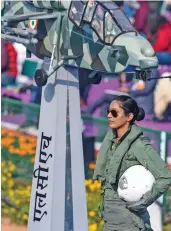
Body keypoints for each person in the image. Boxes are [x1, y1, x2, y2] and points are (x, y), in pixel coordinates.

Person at [93, 95, 171, 231]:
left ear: (129, 117)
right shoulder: (110, 142)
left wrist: (142, 203)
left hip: (130, 223)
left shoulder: (139, 145)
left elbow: (165, 176)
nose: (109, 116)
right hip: (111, 220)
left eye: (114, 112)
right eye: (108, 111)